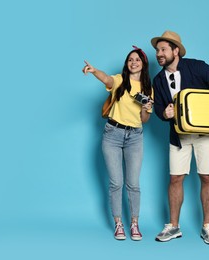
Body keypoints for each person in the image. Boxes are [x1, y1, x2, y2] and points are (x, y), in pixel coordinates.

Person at [150, 31, 209, 245]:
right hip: (178, 136)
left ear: (175, 50)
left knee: (207, 177)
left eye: (163, 50)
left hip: (205, 134)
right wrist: (164, 113)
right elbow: (159, 108)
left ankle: (207, 227)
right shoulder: (158, 79)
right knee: (175, 178)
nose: (159, 54)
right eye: (157, 51)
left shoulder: (197, 67)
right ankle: (173, 226)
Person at [82, 46, 153, 241]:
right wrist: (95, 71)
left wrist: (147, 108)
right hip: (112, 134)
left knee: (133, 184)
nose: (133, 62)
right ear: (127, 64)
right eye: (130, 59)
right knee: (116, 183)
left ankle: (135, 224)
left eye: (137, 59)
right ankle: (118, 223)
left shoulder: (148, 89)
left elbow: (144, 119)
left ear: (143, 64)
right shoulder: (121, 80)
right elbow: (107, 79)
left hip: (135, 137)